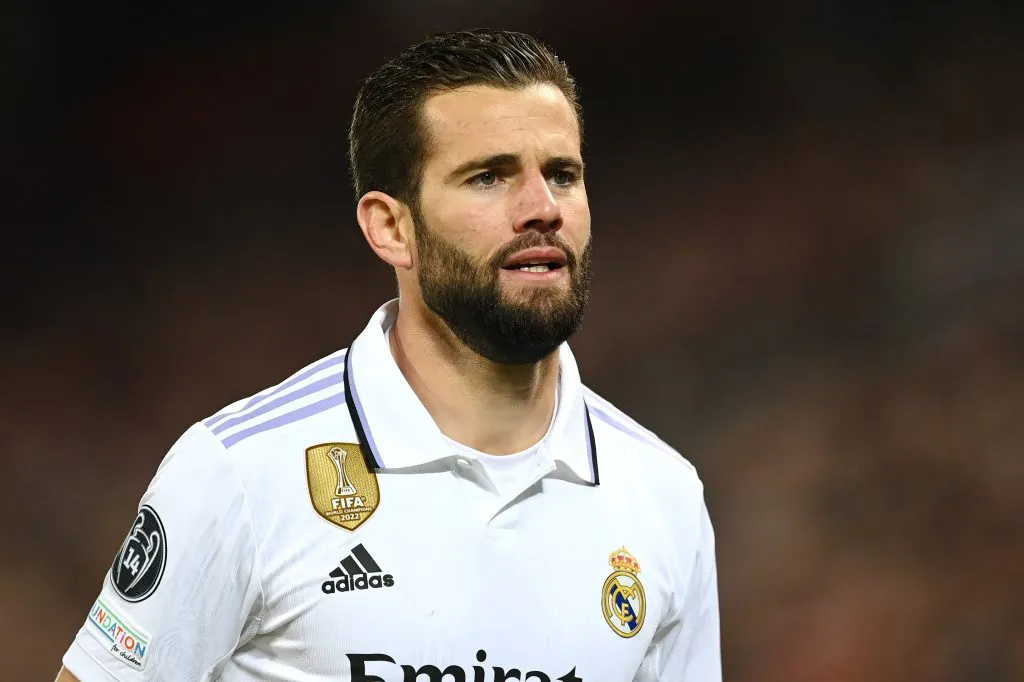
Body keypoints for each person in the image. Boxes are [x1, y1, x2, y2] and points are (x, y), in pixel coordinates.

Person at [55, 28, 721, 681]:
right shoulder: (240, 474)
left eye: (563, 174)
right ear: (390, 227)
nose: (541, 208)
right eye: (488, 177)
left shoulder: (664, 496)